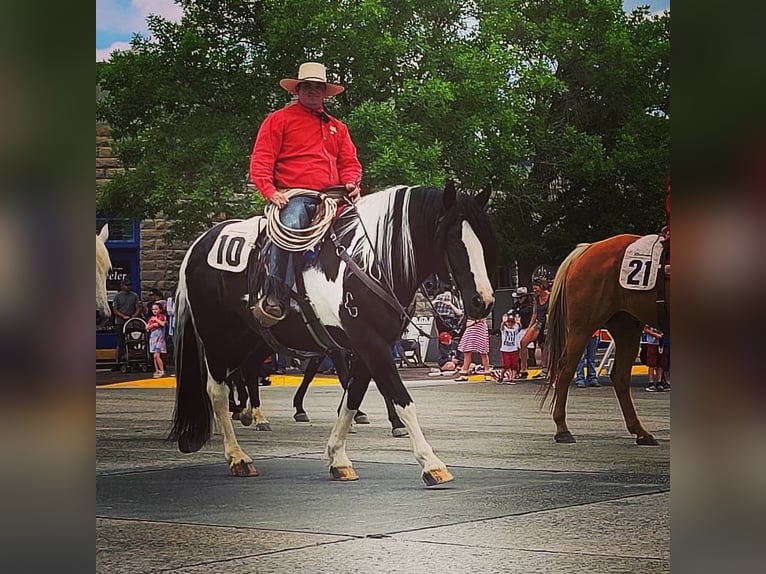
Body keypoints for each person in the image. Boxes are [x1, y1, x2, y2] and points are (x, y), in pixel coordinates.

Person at [249, 61, 363, 325]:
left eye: (318, 88)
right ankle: (275, 295)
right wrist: (270, 191)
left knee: (365, 230)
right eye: (308, 87)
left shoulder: (338, 127)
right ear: (298, 90)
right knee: (290, 226)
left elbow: (350, 163)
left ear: (324, 92)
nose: (313, 92)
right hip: (295, 195)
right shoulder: (278, 120)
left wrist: (351, 183)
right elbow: (262, 160)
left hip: (334, 197)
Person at [518, 278, 550, 378]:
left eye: (536, 288)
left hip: (548, 322)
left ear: (542, 287)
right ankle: (523, 369)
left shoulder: (551, 296)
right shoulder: (536, 298)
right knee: (523, 342)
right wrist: (529, 327)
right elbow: (535, 313)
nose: (535, 290)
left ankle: (545, 369)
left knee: (544, 346)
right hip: (538, 322)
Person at [112, 278, 140, 364]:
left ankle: (132, 359)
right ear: (122, 286)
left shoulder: (134, 295)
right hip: (120, 322)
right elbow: (115, 310)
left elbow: (138, 307)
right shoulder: (117, 296)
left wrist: (134, 316)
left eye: (130, 285)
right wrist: (123, 316)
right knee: (120, 342)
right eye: (127, 285)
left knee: (133, 341)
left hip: (131, 322)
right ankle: (118, 361)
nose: (129, 287)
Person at [454, 317, 491, 382]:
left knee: (483, 352)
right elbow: (465, 321)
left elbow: (484, 313)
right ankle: (464, 374)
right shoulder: (469, 309)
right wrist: (472, 322)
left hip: (480, 329)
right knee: (467, 351)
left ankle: (487, 373)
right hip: (470, 329)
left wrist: (476, 320)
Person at [512, 286, 535, 375]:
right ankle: (520, 365)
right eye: (517, 298)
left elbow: (523, 312)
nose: (519, 300)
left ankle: (530, 364)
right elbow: (514, 311)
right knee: (518, 346)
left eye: (520, 297)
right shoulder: (517, 305)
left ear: (525, 297)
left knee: (528, 346)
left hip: (527, 327)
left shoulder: (529, 306)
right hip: (518, 329)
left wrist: (517, 311)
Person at [494, 311, 521, 383]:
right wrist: (504, 320)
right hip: (505, 350)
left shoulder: (515, 329)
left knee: (514, 365)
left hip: (514, 349)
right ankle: (501, 376)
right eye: (509, 322)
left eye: (512, 322)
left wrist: (517, 321)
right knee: (506, 365)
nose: (510, 324)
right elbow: (502, 325)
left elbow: (519, 326)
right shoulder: (504, 329)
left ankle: (512, 378)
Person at [643, 325, 668, 392]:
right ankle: (651, 382)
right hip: (652, 343)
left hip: (663, 343)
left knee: (661, 364)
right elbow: (645, 329)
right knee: (652, 364)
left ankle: (659, 381)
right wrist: (655, 335)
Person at [146, 302, 167, 377]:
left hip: (159, 338)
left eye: (156, 309)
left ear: (160, 310)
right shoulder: (151, 318)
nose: (154, 311)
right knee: (154, 355)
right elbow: (148, 327)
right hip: (153, 338)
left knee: (157, 355)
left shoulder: (162, 316)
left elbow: (161, 324)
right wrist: (152, 325)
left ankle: (162, 370)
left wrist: (155, 321)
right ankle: (157, 370)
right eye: (153, 309)